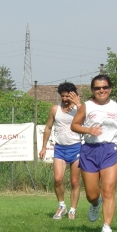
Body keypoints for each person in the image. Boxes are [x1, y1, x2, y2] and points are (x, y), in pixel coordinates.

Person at [70, 74, 117, 232]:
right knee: (92, 194)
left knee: (108, 191)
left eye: (105, 87)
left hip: (109, 150)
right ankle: (95, 204)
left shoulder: (116, 106)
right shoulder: (86, 106)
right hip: (89, 151)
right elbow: (74, 125)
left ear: (110, 88)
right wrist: (88, 130)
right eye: (98, 88)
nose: (102, 90)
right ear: (92, 90)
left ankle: (107, 227)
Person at [39, 82, 82, 220]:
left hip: (76, 148)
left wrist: (79, 104)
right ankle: (62, 206)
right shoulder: (54, 109)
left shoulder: (80, 109)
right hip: (60, 148)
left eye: (67, 96)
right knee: (57, 179)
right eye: (62, 96)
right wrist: (44, 147)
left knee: (75, 182)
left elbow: (88, 122)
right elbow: (48, 128)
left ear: (74, 95)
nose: (64, 99)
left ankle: (73, 210)